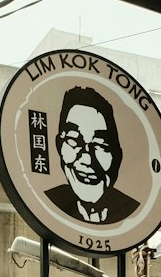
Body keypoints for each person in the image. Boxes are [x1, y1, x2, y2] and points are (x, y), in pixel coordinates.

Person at [45, 87, 139, 224]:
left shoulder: (131, 211)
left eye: (100, 145)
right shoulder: (49, 202)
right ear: (59, 145)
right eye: (74, 141)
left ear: (117, 155)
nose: (87, 159)